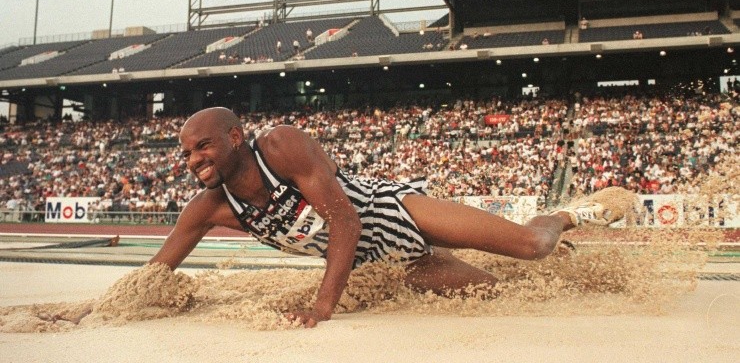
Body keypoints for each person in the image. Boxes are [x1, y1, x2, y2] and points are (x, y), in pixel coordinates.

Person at [149, 107, 629, 328]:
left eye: (203, 145)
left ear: (235, 137)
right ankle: (482, 255)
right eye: (187, 153)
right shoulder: (209, 208)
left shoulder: (280, 146)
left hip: (393, 214)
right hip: (381, 264)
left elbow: (347, 222)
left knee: (531, 248)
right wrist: (93, 310)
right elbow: (153, 275)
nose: (194, 160)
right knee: (495, 290)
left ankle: (559, 215)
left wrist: (323, 307)